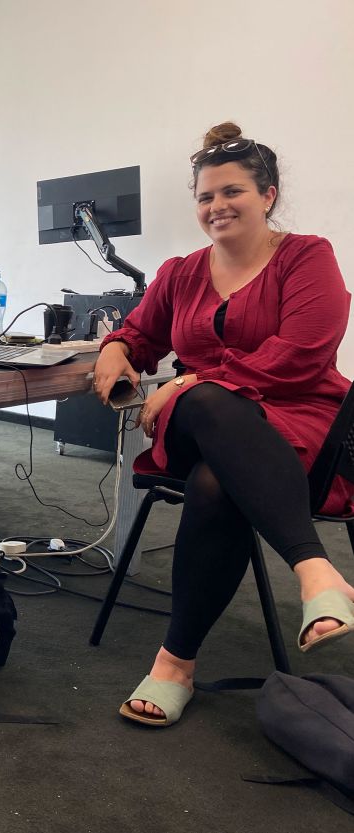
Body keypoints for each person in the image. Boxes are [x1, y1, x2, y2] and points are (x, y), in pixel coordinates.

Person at [92, 122, 354, 727]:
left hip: (300, 417)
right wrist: (114, 347)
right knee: (208, 404)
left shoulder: (308, 256)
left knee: (215, 485)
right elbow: (139, 331)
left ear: (268, 194)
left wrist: (191, 380)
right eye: (206, 197)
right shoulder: (181, 271)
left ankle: (174, 664)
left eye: (232, 192)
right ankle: (315, 572)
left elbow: (304, 352)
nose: (217, 207)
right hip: (201, 421)